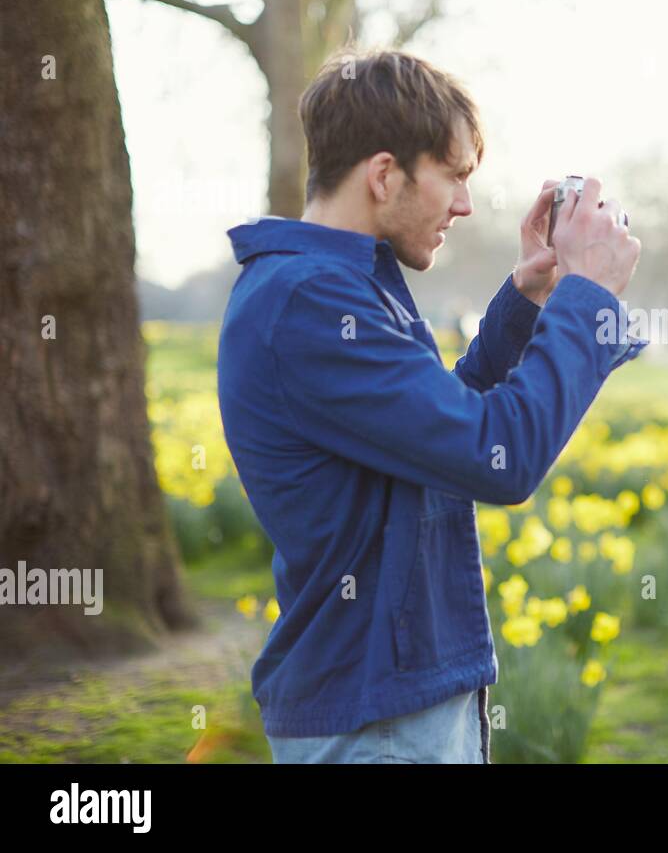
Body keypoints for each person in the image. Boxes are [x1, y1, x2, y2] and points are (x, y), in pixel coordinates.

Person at [217, 49, 643, 763]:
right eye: (454, 176)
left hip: (391, 704)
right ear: (385, 175)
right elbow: (496, 458)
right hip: (375, 721)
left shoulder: (342, 286)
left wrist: (530, 301)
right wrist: (589, 298)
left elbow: (432, 436)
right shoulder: (309, 301)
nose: (467, 205)